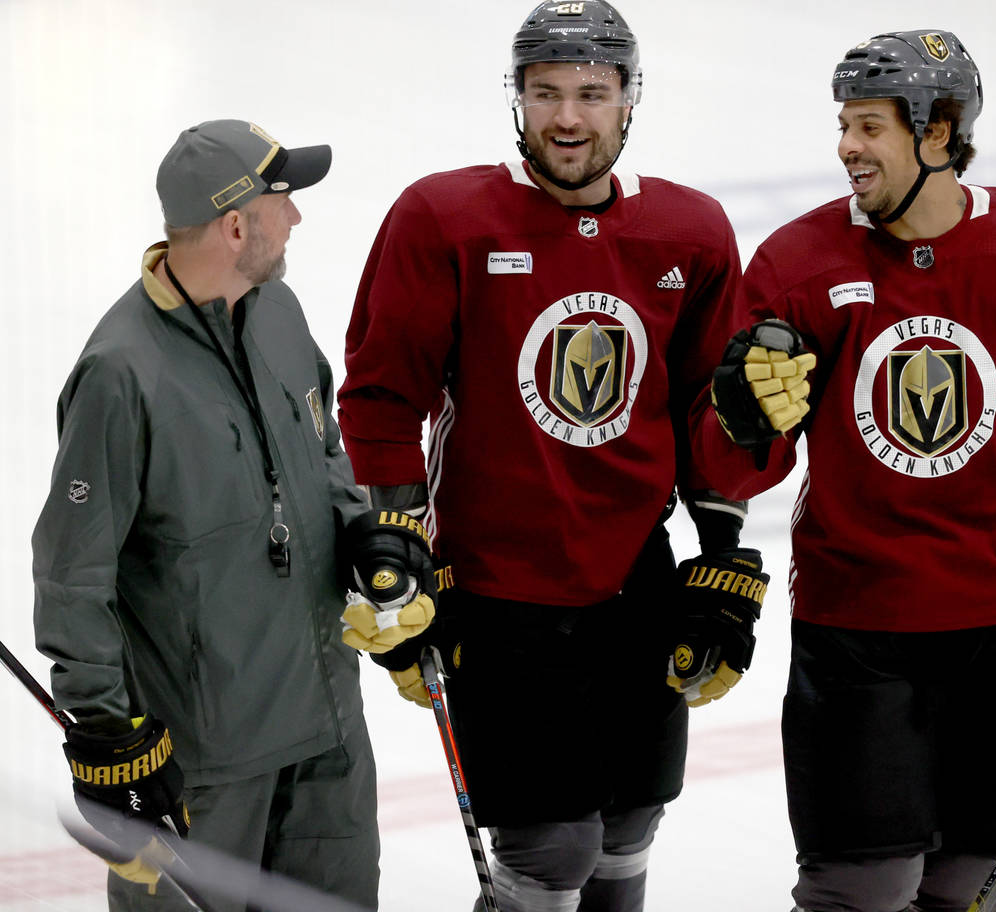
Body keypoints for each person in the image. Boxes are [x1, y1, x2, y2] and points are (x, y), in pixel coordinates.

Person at [692, 29, 996, 912]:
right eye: (844, 123)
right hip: (856, 630)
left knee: (970, 889)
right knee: (858, 889)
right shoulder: (798, 265)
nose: (847, 145)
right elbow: (735, 475)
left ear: (940, 130)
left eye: (871, 125)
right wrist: (737, 415)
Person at [335, 3, 771, 910]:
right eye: (544, 93)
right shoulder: (444, 217)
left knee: (630, 826)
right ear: (517, 99)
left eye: (589, 94)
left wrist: (721, 545)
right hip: (497, 590)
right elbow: (383, 394)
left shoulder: (688, 232)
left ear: (628, 101)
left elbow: (710, 408)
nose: (566, 117)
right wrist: (396, 543)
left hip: (634, 579)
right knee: (552, 850)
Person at [32, 119, 427, 911]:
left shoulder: (277, 311)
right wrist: (108, 737)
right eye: (284, 200)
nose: (299, 218)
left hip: (328, 734)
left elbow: (321, 453)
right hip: (202, 767)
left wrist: (364, 532)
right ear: (236, 222)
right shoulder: (120, 374)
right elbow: (74, 574)